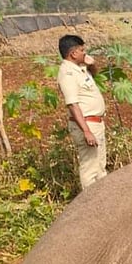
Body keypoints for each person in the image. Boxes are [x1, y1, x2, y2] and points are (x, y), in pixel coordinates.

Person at [57, 34, 107, 190]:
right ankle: (89, 206)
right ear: (73, 54)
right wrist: (86, 131)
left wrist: (91, 64)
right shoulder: (67, 74)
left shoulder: (79, 69)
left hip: (95, 123)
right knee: (90, 168)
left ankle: (103, 202)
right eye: (82, 50)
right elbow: (72, 105)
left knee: (99, 166)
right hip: (87, 124)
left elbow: (95, 75)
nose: (85, 53)